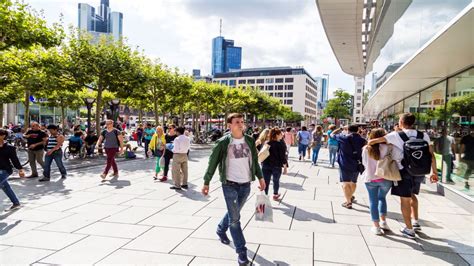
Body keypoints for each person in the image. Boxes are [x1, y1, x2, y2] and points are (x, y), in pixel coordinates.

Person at [202, 113, 265, 265]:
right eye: (237, 122)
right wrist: (206, 182)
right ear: (229, 125)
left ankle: (220, 229)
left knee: (233, 213)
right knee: (235, 219)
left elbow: (255, 161)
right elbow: (213, 162)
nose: (240, 124)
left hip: (246, 185)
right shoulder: (223, 143)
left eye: (242, 122)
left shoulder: (250, 140)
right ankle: (241, 252)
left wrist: (260, 177)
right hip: (229, 184)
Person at [368, 113, 438, 239]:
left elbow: (374, 141)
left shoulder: (395, 135)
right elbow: (431, 154)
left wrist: (370, 143)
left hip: (403, 171)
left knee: (404, 199)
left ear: (401, 122)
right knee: (413, 195)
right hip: (419, 171)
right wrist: (435, 172)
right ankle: (415, 221)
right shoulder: (424, 135)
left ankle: (409, 229)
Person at [361, 128, 398, 235]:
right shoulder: (390, 147)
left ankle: (376, 227)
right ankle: (383, 222)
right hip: (386, 177)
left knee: (373, 201)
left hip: (370, 178)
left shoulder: (366, 148)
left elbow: (364, 163)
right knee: (382, 198)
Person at [331, 125, 367, 209]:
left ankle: (348, 202)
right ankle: (350, 196)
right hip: (357, 164)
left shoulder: (343, 138)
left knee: (345, 183)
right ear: (358, 130)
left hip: (345, 164)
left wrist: (340, 128)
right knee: (353, 182)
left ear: (348, 130)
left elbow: (332, 134)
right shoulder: (363, 140)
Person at [0, 129, 24, 212]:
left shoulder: (10, 148)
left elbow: (15, 160)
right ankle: (16, 203)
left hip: (5, 170)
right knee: (5, 187)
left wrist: (20, 169)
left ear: (3, 136)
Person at [261, 127, 287, 200]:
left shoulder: (267, 143)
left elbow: (262, 153)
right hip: (276, 165)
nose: (282, 135)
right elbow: (283, 157)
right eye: (280, 134)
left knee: (266, 181)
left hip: (266, 165)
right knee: (276, 181)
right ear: (277, 135)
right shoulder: (281, 144)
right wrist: (285, 167)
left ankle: (264, 196)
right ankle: (275, 195)